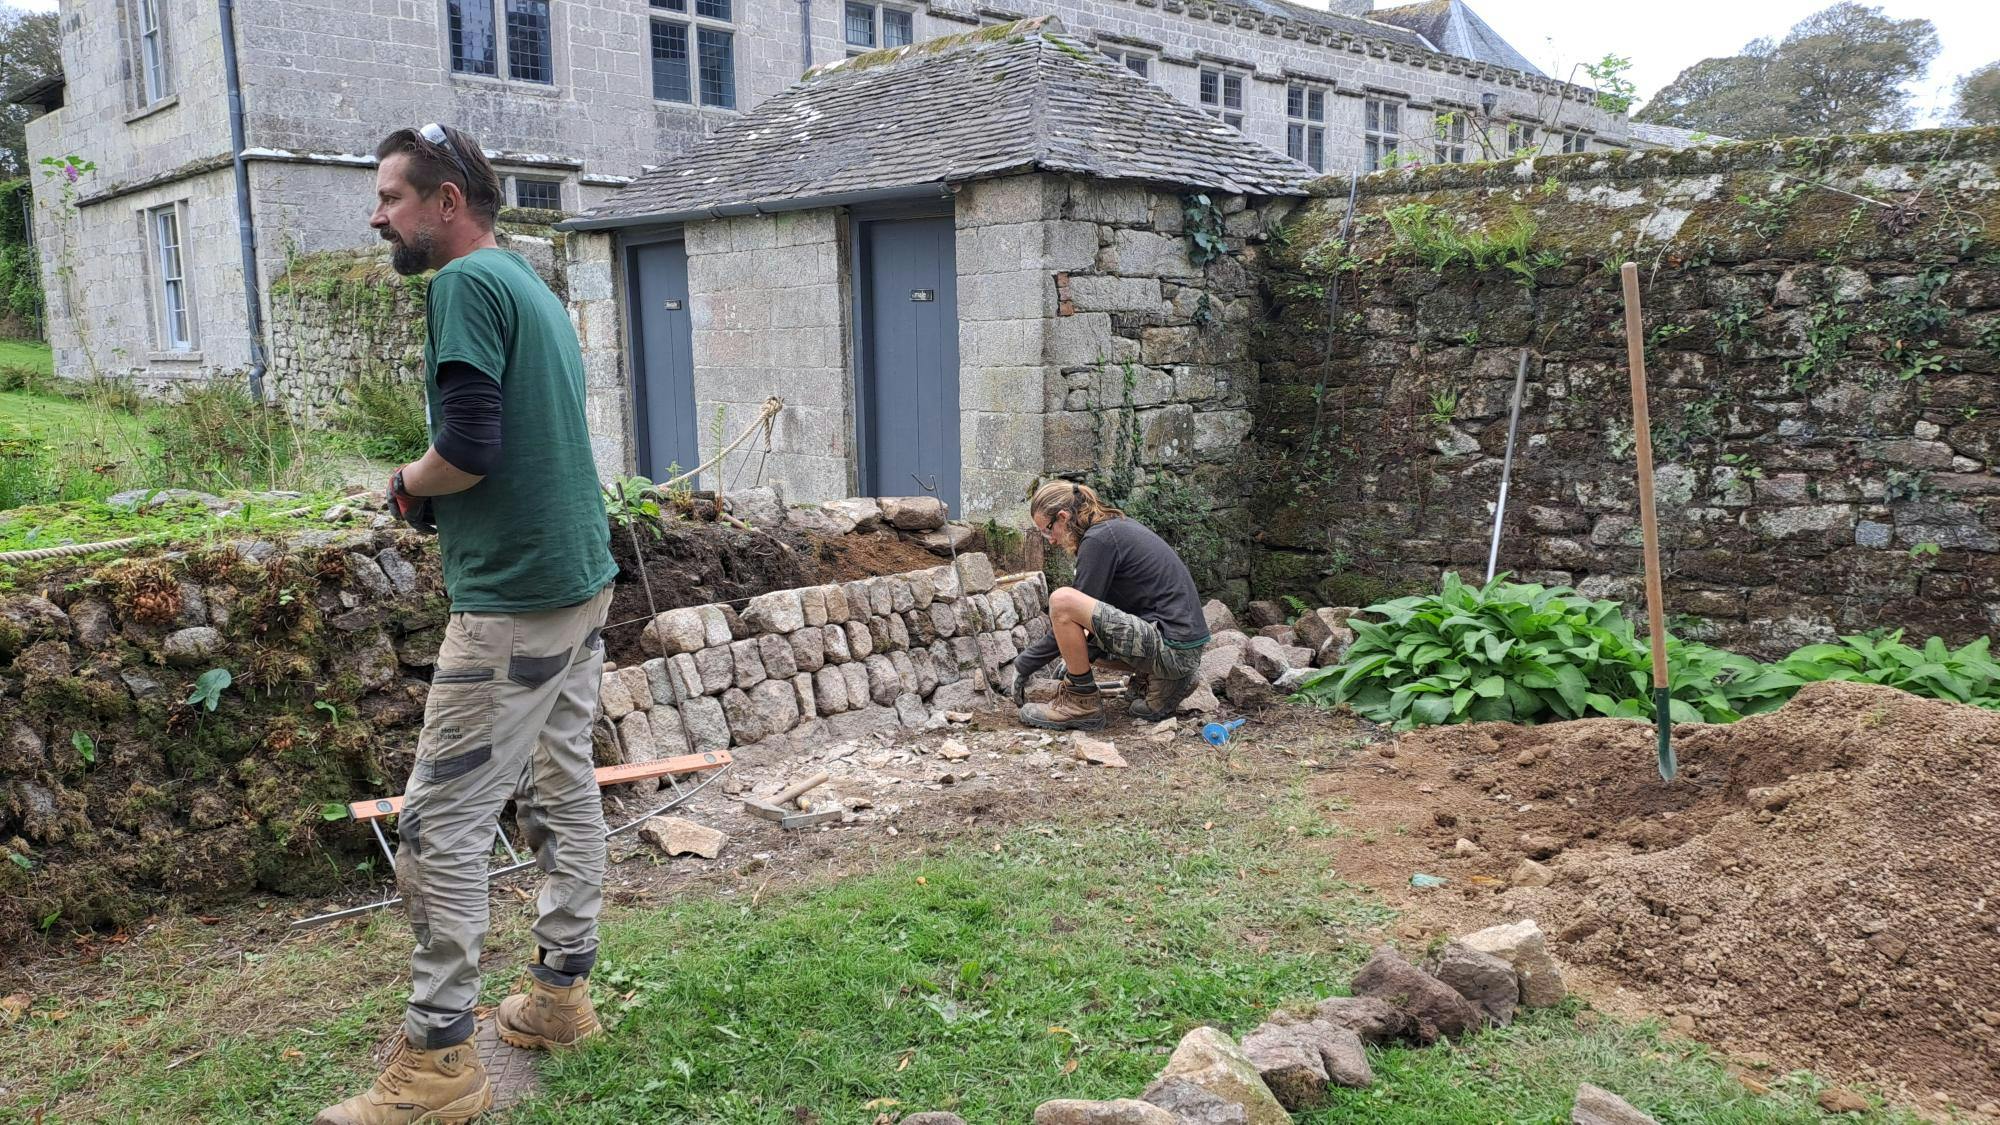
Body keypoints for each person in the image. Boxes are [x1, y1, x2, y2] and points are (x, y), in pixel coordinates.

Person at [317, 124, 619, 1125]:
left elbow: (469, 448)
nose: (378, 215)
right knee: (561, 776)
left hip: (516, 596)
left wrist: (403, 486)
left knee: (443, 822)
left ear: (447, 201)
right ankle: (560, 995)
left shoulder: (462, 287)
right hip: (579, 575)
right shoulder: (530, 281)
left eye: (392, 197)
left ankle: (439, 1067)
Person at [1011, 481, 1210, 730]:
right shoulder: (1114, 528)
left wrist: (1024, 663)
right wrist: (1073, 656)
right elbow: (1097, 617)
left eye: (1048, 530)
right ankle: (1163, 680)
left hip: (1172, 650)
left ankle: (1081, 703)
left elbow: (1070, 611)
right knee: (1081, 639)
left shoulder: (1099, 540)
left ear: (1062, 517)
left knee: (1062, 600)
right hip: (1182, 648)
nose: (1050, 541)